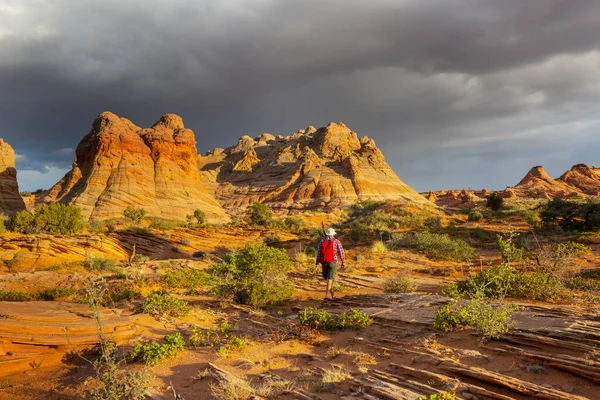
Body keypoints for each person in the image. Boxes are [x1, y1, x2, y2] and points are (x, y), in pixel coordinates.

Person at [315, 227, 346, 302]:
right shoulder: (336, 241)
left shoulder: (322, 241)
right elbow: (341, 252)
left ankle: (329, 295)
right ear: (333, 234)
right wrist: (343, 262)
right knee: (330, 279)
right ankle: (328, 295)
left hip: (324, 263)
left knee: (328, 279)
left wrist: (317, 264)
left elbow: (318, 253)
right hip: (333, 262)